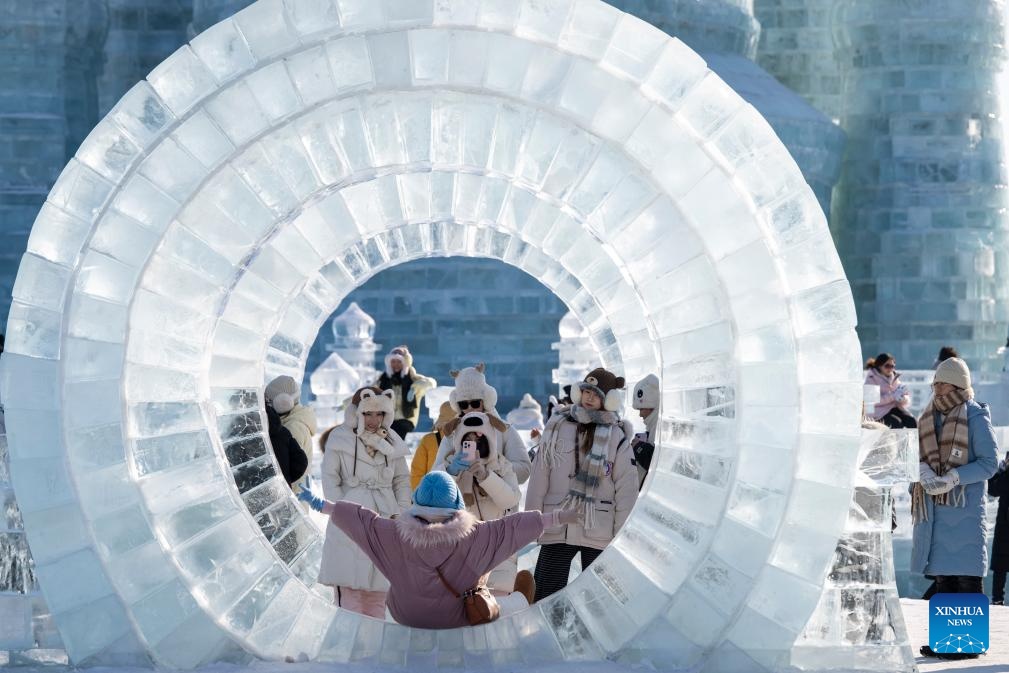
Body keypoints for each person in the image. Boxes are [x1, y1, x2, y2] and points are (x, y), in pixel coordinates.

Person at [298, 471, 580, 629]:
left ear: (417, 500)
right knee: (500, 603)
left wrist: (322, 505)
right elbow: (512, 527)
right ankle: (520, 601)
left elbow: (361, 520)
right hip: (459, 617)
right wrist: (557, 517)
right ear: (456, 502)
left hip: (406, 615)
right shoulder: (477, 535)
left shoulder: (393, 533)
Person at [910, 358, 999, 659]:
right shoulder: (928, 416)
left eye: (942, 383)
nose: (936, 388)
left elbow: (989, 463)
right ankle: (945, 640)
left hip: (966, 510)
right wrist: (922, 470)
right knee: (944, 577)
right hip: (936, 511)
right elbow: (918, 454)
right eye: (935, 382)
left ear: (958, 385)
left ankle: (966, 644)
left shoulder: (975, 416)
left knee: (966, 576)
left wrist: (954, 477)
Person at [525, 367, 638, 601]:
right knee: (546, 595)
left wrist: (620, 536)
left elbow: (626, 489)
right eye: (586, 391)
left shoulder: (616, 436)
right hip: (558, 523)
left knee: (599, 601)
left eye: (596, 394)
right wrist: (531, 521)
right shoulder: (557, 426)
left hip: (598, 528)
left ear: (609, 400)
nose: (589, 397)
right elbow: (539, 476)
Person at [318, 387, 411, 618]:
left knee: (379, 594)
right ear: (356, 413)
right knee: (349, 597)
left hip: (386, 516)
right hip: (350, 516)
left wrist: (401, 511)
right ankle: (349, 640)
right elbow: (329, 478)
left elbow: (402, 479)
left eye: (380, 414)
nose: (373, 420)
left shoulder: (392, 440)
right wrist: (342, 509)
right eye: (368, 413)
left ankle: (373, 641)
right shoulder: (340, 438)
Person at [441, 412, 534, 613]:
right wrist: (451, 473)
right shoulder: (448, 464)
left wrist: (486, 476)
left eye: (479, 439)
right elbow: (432, 497)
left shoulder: (502, 464)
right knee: (463, 608)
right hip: (461, 548)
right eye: (468, 440)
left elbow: (510, 499)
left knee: (497, 605)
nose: (474, 444)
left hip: (498, 546)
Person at [433, 364, 532, 484]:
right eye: (464, 404)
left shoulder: (504, 429)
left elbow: (524, 470)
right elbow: (435, 476)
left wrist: (494, 468)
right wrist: (451, 470)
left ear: (485, 401)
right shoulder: (452, 433)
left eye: (475, 403)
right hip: (462, 495)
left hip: (498, 496)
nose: (470, 408)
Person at [264, 375, 317, 495]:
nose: (266, 405)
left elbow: (288, 468)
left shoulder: (293, 427)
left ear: (282, 402)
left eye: (269, 401)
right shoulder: (293, 420)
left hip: (292, 497)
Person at [372, 345, 437, 439]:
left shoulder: (412, 378)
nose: (396, 365)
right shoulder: (383, 380)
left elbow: (431, 383)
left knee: (394, 432)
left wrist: (413, 389)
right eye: (393, 361)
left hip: (406, 420)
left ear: (405, 363)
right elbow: (369, 391)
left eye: (399, 362)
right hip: (387, 419)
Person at [410, 402, 456, 491]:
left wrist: (420, 494)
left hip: (431, 493)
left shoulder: (429, 440)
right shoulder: (469, 440)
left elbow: (417, 472)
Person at [864, 353, 916, 429]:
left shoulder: (893, 377)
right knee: (897, 423)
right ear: (879, 366)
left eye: (892, 366)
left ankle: (914, 437)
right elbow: (871, 402)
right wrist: (893, 396)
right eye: (887, 366)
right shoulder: (871, 378)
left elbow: (902, 395)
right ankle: (896, 437)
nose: (890, 369)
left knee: (911, 421)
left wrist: (903, 398)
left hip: (893, 408)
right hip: (877, 413)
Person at [266, 404, 308, 487]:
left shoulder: (243, 435)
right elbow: (300, 462)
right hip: (280, 490)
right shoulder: (283, 432)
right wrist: (285, 478)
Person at [630, 373, 659, 488]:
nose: (640, 414)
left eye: (641, 408)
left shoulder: (660, 428)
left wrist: (638, 447)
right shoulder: (654, 427)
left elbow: (657, 464)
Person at [988, 451, 1009, 605]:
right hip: (1004, 525)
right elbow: (993, 489)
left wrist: (1001, 470)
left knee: (1000, 565)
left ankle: (997, 599)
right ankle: (997, 599)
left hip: (1005, 525)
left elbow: (993, 489)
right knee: (1000, 565)